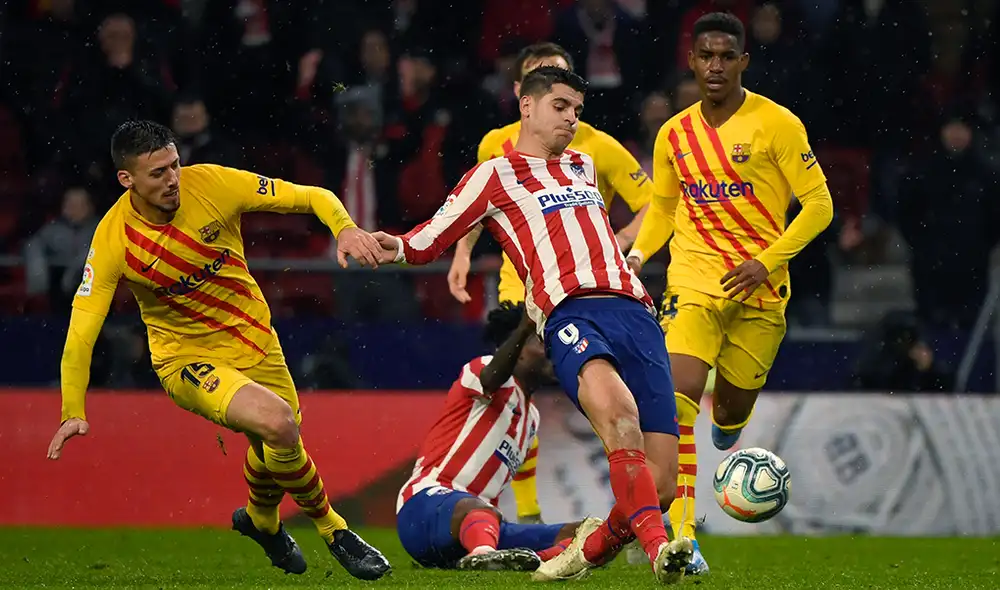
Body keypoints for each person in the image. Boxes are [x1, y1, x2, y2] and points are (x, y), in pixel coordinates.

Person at [372, 66, 693, 584]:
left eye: (577, 111)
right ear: (526, 105)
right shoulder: (494, 174)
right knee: (620, 419)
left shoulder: (585, 166)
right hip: (571, 313)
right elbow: (431, 237)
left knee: (658, 487)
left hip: (637, 314)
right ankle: (661, 552)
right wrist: (390, 246)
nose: (571, 119)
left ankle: (584, 552)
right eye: (561, 107)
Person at [44, 121, 391, 581]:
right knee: (279, 424)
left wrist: (344, 228)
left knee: (276, 440)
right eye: (157, 174)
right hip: (186, 358)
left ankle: (261, 521)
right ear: (126, 180)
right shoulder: (114, 238)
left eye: (175, 165)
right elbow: (81, 329)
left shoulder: (213, 183)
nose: (172, 180)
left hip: (255, 339)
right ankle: (334, 530)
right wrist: (72, 407)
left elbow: (312, 196)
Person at [625, 13, 834, 574]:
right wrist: (641, 255)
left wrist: (766, 263)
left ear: (744, 61)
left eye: (726, 56)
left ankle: (732, 424)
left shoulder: (778, 124)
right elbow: (665, 207)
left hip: (762, 294)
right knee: (680, 395)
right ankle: (685, 538)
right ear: (691, 62)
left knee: (731, 409)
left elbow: (820, 205)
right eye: (705, 56)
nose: (715, 66)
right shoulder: (674, 133)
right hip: (692, 283)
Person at [447, 40, 653, 526]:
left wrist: (622, 240)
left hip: (584, 290)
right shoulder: (494, 143)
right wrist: (461, 251)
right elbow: (477, 202)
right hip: (518, 289)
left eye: (560, 78)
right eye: (540, 77)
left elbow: (654, 201)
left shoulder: (596, 146)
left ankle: (631, 509)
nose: (555, 94)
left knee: (606, 402)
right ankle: (528, 513)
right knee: (517, 395)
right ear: (522, 92)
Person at [396, 302, 585, 571]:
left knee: (580, 532)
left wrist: (530, 516)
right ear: (517, 349)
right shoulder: (481, 369)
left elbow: (522, 475)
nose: (552, 353)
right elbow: (490, 379)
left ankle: (534, 561)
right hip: (423, 508)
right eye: (542, 343)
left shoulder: (532, 419)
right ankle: (483, 555)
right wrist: (523, 328)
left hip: (482, 526)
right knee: (480, 510)